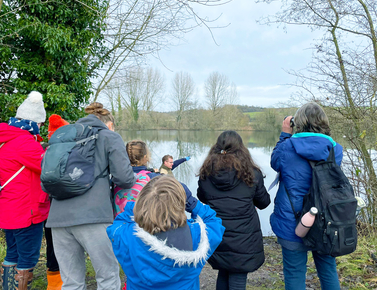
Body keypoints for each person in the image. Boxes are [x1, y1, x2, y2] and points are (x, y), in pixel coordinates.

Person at [45, 102, 136, 290]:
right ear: (109, 123)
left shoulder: (62, 136)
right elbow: (125, 179)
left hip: (58, 218)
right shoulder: (109, 136)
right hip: (93, 217)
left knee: (71, 282)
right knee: (108, 278)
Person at [107, 175, 225, 290]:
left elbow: (118, 223)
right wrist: (192, 203)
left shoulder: (126, 235)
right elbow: (213, 222)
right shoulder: (197, 235)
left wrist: (140, 206)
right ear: (180, 204)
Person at [270, 102, 342, 289]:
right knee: (328, 269)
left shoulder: (287, 147)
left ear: (297, 122)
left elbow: (275, 163)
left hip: (291, 221)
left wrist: (285, 133)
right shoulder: (335, 149)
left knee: (294, 273)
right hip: (325, 220)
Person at [0, 91, 50, 290]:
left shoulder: (5, 139)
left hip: (7, 208)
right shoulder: (25, 143)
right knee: (27, 257)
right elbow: (47, 167)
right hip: (25, 211)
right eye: (40, 123)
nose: (40, 128)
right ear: (35, 122)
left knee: (12, 253)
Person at [197, 130, 271, 290]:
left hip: (217, 232)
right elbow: (264, 202)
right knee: (238, 275)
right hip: (243, 236)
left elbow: (202, 197)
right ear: (241, 149)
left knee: (223, 271)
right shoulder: (252, 174)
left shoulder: (207, 173)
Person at [44, 114, 70, 290]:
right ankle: (62, 283)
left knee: (52, 247)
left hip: (46, 207)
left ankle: (54, 284)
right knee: (65, 248)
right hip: (63, 207)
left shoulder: (43, 151)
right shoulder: (68, 153)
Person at [113, 140, 160, 217]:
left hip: (119, 223)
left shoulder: (117, 178)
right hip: (143, 225)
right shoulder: (153, 178)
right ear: (145, 158)